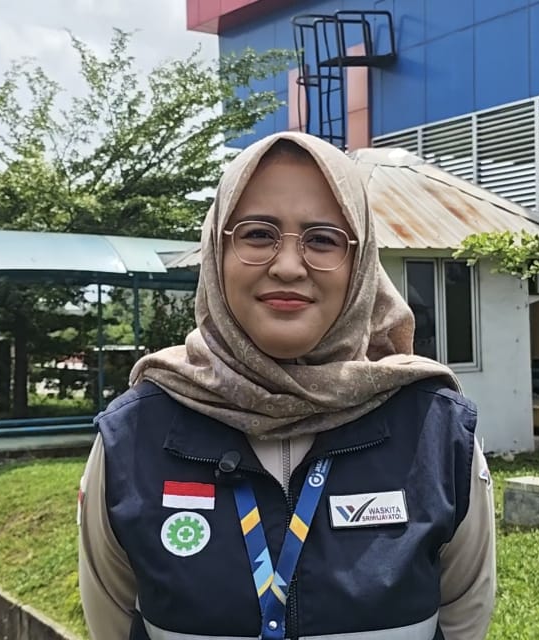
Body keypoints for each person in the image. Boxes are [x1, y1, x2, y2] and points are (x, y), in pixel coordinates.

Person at [77, 131, 496, 640]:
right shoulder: (132, 438)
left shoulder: (438, 433)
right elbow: (114, 623)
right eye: (257, 234)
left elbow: (463, 619)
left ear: (361, 263)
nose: (289, 267)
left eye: (323, 239)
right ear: (217, 252)